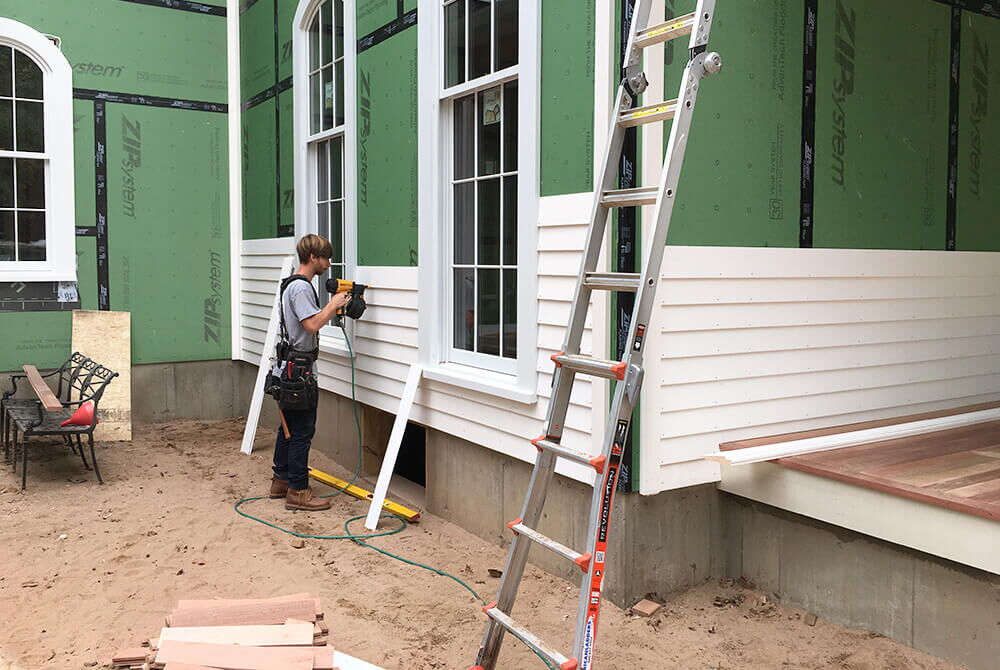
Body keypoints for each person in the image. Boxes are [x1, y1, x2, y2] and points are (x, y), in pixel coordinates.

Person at [269, 234, 350, 511]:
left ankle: (281, 479)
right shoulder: (301, 288)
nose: (328, 264)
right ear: (313, 258)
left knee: (288, 428)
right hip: (299, 372)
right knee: (302, 431)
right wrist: (334, 304)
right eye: (325, 258)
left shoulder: (289, 284)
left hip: (288, 368)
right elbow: (312, 324)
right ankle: (298, 492)